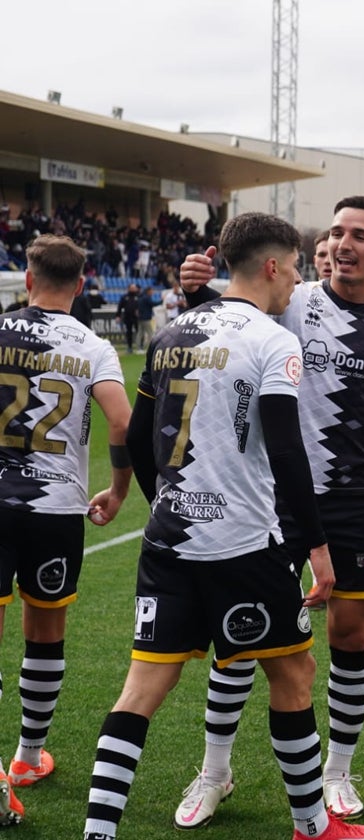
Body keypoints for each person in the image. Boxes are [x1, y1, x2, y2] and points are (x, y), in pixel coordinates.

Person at [81, 212, 364, 840]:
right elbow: (287, 450)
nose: (299, 277)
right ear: (273, 267)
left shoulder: (172, 331)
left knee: (139, 692)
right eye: (297, 266)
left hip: (168, 542)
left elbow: (138, 434)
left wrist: (161, 499)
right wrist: (320, 548)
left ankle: (98, 832)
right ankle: (313, 826)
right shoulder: (274, 341)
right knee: (295, 675)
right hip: (246, 544)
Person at [173, 197, 364, 827]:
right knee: (241, 637)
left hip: (359, 497)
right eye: (336, 232)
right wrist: (198, 294)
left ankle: (337, 772)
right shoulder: (294, 298)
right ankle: (214, 772)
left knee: (351, 635)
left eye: (359, 235)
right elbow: (224, 331)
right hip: (274, 498)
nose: (343, 243)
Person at [0, 235, 133, 827]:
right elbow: (123, 423)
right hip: (55, 511)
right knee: (45, 628)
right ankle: (27, 757)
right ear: (81, 286)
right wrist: (121, 487)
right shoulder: (92, 346)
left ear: (28, 280)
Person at [116, 284, 139, 353]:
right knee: (129, 332)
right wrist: (118, 315)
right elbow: (120, 307)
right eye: (132, 288)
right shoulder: (125, 297)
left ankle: (140, 346)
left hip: (137, 318)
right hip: (128, 317)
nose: (134, 289)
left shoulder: (138, 296)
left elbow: (142, 305)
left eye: (134, 288)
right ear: (129, 288)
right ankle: (129, 347)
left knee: (139, 331)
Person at [135, 284, 156, 350]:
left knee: (140, 333)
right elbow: (152, 304)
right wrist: (161, 301)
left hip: (140, 318)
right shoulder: (146, 297)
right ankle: (151, 348)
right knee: (150, 333)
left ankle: (139, 347)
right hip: (146, 318)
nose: (152, 292)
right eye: (151, 291)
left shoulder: (141, 297)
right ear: (148, 291)